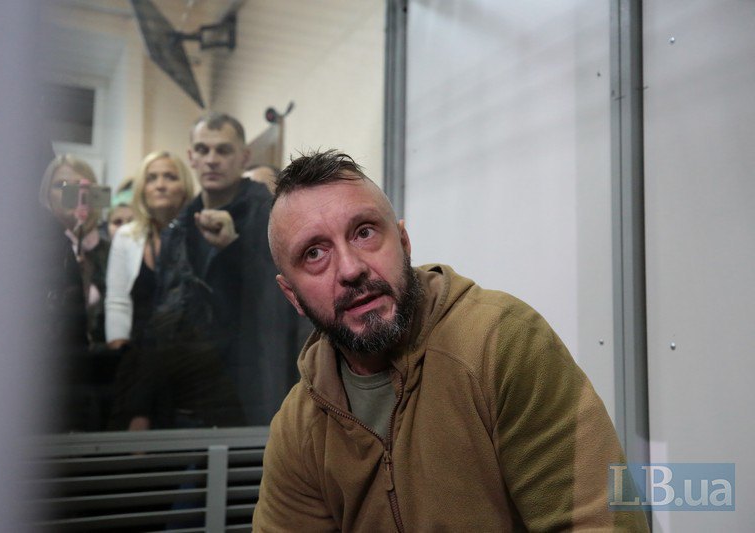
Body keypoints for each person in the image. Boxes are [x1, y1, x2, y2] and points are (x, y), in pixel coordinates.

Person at [254, 150, 649, 531]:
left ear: (404, 242)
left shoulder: (501, 343)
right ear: (292, 296)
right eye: (315, 254)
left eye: (365, 232)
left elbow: (601, 522)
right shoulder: (299, 427)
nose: (351, 269)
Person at [152, 111, 310, 426]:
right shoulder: (178, 228)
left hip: (254, 390)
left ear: (244, 157)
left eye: (223, 150)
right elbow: (160, 313)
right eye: (203, 150)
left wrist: (233, 249)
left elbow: (287, 301)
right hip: (189, 391)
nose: (212, 160)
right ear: (191, 157)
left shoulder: (274, 217)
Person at [105, 151, 195, 350]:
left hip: (189, 353)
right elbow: (118, 302)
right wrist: (119, 351)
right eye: (151, 178)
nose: (160, 185)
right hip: (136, 351)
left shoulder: (199, 234)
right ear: (141, 189)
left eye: (170, 177)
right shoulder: (126, 236)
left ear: (185, 187)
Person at [40, 154, 109, 348]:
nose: (70, 192)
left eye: (80, 185)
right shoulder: (36, 247)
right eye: (60, 185)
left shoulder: (107, 249)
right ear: (46, 194)